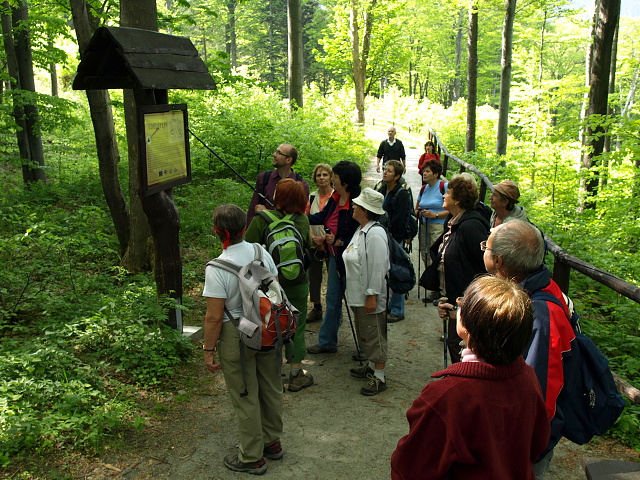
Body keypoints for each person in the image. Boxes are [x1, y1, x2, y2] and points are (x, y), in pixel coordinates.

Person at [391, 276, 551, 480]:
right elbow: (538, 442)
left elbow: (410, 468)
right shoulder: (527, 375)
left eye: (462, 303)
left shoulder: (446, 397)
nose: (457, 305)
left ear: (466, 325)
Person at [481, 220, 576, 478]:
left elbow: (541, 396)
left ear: (499, 261)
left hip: (521, 446)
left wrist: (525, 451)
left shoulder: (540, 315)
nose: (483, 252)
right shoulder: (536, 289)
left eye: (485, 248)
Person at [203, 204, 283, 475]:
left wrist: (208, 349)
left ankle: (251, 456)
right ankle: (272, 442)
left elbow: (214, 317)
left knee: (245, 392)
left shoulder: (216, 268)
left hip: (236, 335)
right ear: (244, 228)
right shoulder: (261, 252)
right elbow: (274, 286)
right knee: (270, 385)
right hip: (268, 327)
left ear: (217, 232)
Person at [245, 178, 314, 393]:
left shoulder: (261, 219)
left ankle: (271, 373)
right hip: (298, 282)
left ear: (278, 197)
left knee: (271, 322)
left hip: (270, 284)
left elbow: (248, 247)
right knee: (297, 326)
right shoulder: (302, 220)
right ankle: (295, 374)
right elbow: (308, 247)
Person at [426, 173, 489, 364]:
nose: (443, 196)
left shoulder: (471, 227)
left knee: (462, 346)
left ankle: (464, 384)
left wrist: (467, 302)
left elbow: (485, 265)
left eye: (448, 193)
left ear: (458, 199)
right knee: (455, 344)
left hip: (469, 302)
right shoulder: (454, 222)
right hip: (457, 298)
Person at [306, 161, 362, 354]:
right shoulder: (335, 198)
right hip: (335, 259)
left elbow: (362, 233)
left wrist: (339, 240)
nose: (332, 179)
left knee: (357, 304)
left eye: (335, 177)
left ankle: (366, 347)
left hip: (353, 263)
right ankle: (327, 342)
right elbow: (320, 217)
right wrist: (296, 216)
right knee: (332, 300)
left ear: (345, 182)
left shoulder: (358, 202)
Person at [343, 187, 390, 395]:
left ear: (365, 210)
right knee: (365, 333)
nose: (353, 206)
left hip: (368, 296)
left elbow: (378, 268)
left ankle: (379, 376)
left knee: (374, 335)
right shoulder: (361, 230)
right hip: (358, 295)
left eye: (357, 204)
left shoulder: (375, 234)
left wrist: (372, 295)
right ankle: (371, 367)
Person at [377, 160, 411, 323]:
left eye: (389, 171)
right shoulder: (383, 189)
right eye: (384, 169)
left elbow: (400, 219)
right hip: (382, 236)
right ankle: (389, 305)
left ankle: (398, 310)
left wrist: (391, 237)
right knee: (385, 272)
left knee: (396, 272)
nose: (385, 172)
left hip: (394, 239)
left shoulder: (402, 194)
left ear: (397, 176)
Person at [246, 143, 310, 226]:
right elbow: (252, 210)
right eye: (275, 151)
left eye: (279, 153)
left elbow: (299, 216)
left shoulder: (301, 184)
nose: (274, 154)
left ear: (288, 160)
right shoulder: (264, 178)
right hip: (263, 230)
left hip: (288, 234)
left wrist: (267, 213)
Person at [415, 159, 447, 303]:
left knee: (438, 256)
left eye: (427, 171)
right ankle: (434, 286)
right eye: (423, 171)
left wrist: (434, 215)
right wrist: (419, 213)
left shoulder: (443, 187)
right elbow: (416, 208)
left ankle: (442, 289)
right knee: (425, 254)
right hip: (424, 225)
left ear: (436, 174)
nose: (424, 173)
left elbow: (450, 209)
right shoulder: (423, 189)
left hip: (438, 226)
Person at [306, 163, 334, 324]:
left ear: (331, 177)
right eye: (319, 175)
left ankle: (334, 309)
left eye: (325, 175)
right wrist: (314, 239)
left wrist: (324, 239)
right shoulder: (311, 197)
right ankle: (316, 307)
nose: (322, 178)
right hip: (313, 244)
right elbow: (305, 219)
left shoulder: (336, 197)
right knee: (314, 278)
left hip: (331, 244)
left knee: (334, 278)